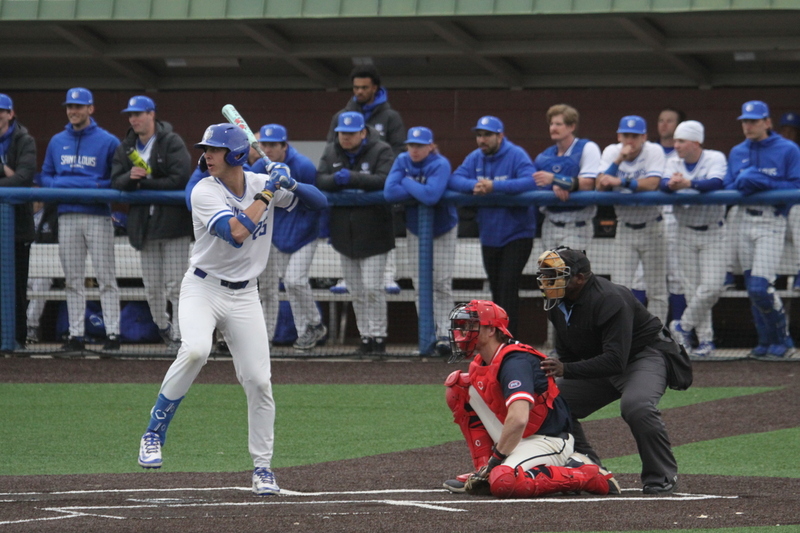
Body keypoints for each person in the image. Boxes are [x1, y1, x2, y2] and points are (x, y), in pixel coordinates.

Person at [136, 123, 326, 496]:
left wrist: (291, 181)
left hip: (245, 297)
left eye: (216, 149)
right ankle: (153, 434)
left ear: (236, 155)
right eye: (206, 148)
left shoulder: (258, 182)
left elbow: (319, 202)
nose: (207, 155)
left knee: (259, 381)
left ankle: (263, 468)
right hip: (202, 288)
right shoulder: (203, 190)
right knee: (195, 350)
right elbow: (237, 234)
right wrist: (272, 189)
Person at [536, 247, 680, 494]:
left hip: (643, 356)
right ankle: (591, 470)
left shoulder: (610, 299)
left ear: (580, 278)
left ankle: (661, 475)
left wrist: (565, 368)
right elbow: (570, 355)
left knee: (637, 406)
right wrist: (560, 371)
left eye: (557, 274)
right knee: (551, 402)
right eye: (547, 274)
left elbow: (615, 361)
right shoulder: (556, 302)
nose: (548, 280)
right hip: (605, 360)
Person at [442, 299, 619, 498]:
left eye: (471, 326)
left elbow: (518, 418)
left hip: (548, 439)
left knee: (503, 482)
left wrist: (496, 461)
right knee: (458, 387)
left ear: (491, 330)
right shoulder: (483, 361)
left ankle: (584, 473)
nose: (463, 332)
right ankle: (483, 472)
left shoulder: (515, 361)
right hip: (520, 435)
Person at [40, 88, 121, 353]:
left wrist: (81, 184)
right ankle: (76, 336)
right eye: (69, 107)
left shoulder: (108, 141)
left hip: (97, 216)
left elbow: (116, 180)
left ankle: (113, 334)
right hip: (67, 216)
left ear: (90, 109)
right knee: (73, 279)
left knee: (105, 277)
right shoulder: (56, 141)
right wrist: (78, 184)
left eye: (78, 106)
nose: (73, 111)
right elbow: (46, 177)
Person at [111, 95, 192, 350]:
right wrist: (129, 177)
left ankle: (180, 336)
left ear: (151, 114)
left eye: (138, 114)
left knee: (176, 286)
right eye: (130, 115)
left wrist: (142, 183)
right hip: (144, 228)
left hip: (174, 226)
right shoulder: (126, 147)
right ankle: (164, 327)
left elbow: (180, 178)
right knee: (153, 288)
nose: (133, 119)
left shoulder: (171, 141)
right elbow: (116, 180)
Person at [448, 116, 537, 337]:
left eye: (487, 135)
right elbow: (455, 179)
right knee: (496, 288)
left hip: (517, 233)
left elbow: (530, 180)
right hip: (489, 235)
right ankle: (499, 340)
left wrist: (494, 186)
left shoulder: (516, 154)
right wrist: (474, 185)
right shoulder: (475, 157)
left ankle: (509, 340)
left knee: (507, 286)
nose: (482, 140)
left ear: (500, 136)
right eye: (479, 135)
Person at [725, 100, 800, 358]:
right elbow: (730, 185)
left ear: (767, 122)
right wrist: (747, 181)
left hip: (772, 220)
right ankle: (766, 341)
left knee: (761, 286)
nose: (748, 125)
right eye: (745, 121)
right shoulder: (737, 151)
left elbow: (795, 187)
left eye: (754, 121)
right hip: (744, 220)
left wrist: (757, 179)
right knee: (751, 287)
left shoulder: (787, 149)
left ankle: (784, 339)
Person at [316, 111, 395, 354]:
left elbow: (385, 180)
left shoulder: (381, 150)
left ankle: (379, 337)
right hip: (343, 233)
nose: (346, 138)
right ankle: (365, 337)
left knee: (373, 288)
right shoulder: (331, 151)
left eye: (351, 133)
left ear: (363, 132)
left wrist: (353, 178)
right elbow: (320, 179)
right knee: (357, 291)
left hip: (375, 233)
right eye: (342, 133)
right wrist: (339, 182)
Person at [251, 124, 326, 351]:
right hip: (279, 234)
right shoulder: (258, 166)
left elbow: (314, 202)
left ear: (284, 145)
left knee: (294, 280)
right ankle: (305, 332)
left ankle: (314, 323)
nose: (269, 149)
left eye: (274, 145)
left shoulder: (302, 165)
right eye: (265, 144)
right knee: (290, 284)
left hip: (305, 233)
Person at [383, 126, 457, 356]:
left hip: (443, 228)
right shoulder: (403, 159)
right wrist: (415, 186)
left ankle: (446, 335)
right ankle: (428, 337)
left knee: (441, 283)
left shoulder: (440, 163)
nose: (414, 150)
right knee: (419, 283)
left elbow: (431, 196)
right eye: (411, 145)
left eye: (420, 146)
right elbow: (388, 193)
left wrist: (406, 182)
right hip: (415, 230)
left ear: (430, 146)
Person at [659, 121, 727, 357]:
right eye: (675, 141)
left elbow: (716, 182)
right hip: (683, 230)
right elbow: (662, 184)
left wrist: (688, 183)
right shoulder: (673, 161)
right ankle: (706, 340)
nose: (676, 145)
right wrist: (671, 184)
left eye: (681, 141)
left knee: (711, 287)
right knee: (691, 290)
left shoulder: (714, 157)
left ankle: (682, 326)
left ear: (696, 142)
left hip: (713, 231)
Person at [596, 115, 668, 325]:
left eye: (635, 136)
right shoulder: (611, 151)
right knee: (619, 288)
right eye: (626, 135)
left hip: (653, 226)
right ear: (619, 135)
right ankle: (625, 337)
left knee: (657, 290)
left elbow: (653, 183)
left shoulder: (653, 150)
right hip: (625, 228)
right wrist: (618, 160)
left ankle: (658, 338)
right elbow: (600, 185)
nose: (630, 140)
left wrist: (621, 181)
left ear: (644, 136)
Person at [532, 104, 601, 254]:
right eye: (551, 124)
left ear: (571, 127)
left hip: (577, 225)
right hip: (550, 224)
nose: (553, 128)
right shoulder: (545, 156)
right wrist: (556, 185)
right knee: (551, 275)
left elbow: (588, 183)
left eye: (558, 124)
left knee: (568, 274)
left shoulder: (587, 148)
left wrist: (556, 180)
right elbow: (535, 184)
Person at [0, 93, 36, 351]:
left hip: (18, 228)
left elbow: (23, 178)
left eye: (1, 111)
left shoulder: (24, 139)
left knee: (16, 287)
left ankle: (17, 340)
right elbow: (14, 177)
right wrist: (7, 173)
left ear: (10, 114)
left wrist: (5, 172)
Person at [326, 64, 405, 155]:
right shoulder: (340, 117)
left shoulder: (391, 117)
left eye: (364, 88)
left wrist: (383, 167)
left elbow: (399, 150)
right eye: (356, 88)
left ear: (374, 88)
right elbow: (331, 150)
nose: (359, 91)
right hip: (346, 168)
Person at [656, 107, 688, 324]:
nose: (664, 124)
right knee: (646, 279)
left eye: (670, 121)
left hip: (677, 218)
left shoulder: (684, 153)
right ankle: (650, 334)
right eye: (661, 120)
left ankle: (679, 332)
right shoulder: (650, 151)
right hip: (653, 216)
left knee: (678, 276)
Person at [779, 112, 800, 291]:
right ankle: (729, 274)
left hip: (794, 219)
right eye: (784, 130)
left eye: (792, 131)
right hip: (774, 217)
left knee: (797, 212)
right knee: (734, 213)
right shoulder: (773, 154)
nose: (788, 134)